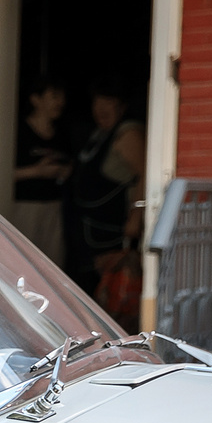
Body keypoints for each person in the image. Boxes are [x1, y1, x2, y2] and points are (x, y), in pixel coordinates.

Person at [64, 88, 145, 305]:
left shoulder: (128, 134)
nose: (101, 109)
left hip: (110, 231)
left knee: (106, 290)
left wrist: (136, 215)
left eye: (108, 102)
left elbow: (145, 175)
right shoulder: (99, 134)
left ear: (122, 106)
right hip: (87, 228)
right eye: (97, 102)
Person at [9, 83, 72, 265]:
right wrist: (37, 171)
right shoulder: (18, 132)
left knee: (52, 263)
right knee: (22, 261)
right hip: (25, 206)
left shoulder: (62, 133)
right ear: (35, 99)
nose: (60, 102)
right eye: (54, 96)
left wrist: (65, 171)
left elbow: (71, 163)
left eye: (62, 97)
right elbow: (0, 175)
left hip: (54, 207)